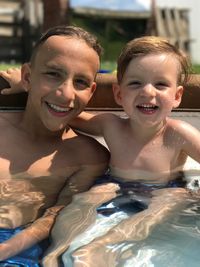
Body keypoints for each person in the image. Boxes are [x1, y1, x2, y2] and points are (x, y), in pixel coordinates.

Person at [2, 36, 200, 267]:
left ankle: (100, 245)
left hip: (165, 190)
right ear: (119, 94)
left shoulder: (179, 134)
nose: (148, 91)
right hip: (115, 185)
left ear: (177, 96)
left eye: (160, 84)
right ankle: (56, 253)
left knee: (166, 201)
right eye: (135, 83)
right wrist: (31, 87)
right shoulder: (111, 126)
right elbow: (67, 111)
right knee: (78, 206)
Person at [0, 25, 109, 265]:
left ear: (91, 92)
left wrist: (6, 249)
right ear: (27, 77)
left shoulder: (88, 156)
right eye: (53, 74)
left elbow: (57, 214)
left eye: (80, 82)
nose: (66, 93)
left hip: (20, 248)